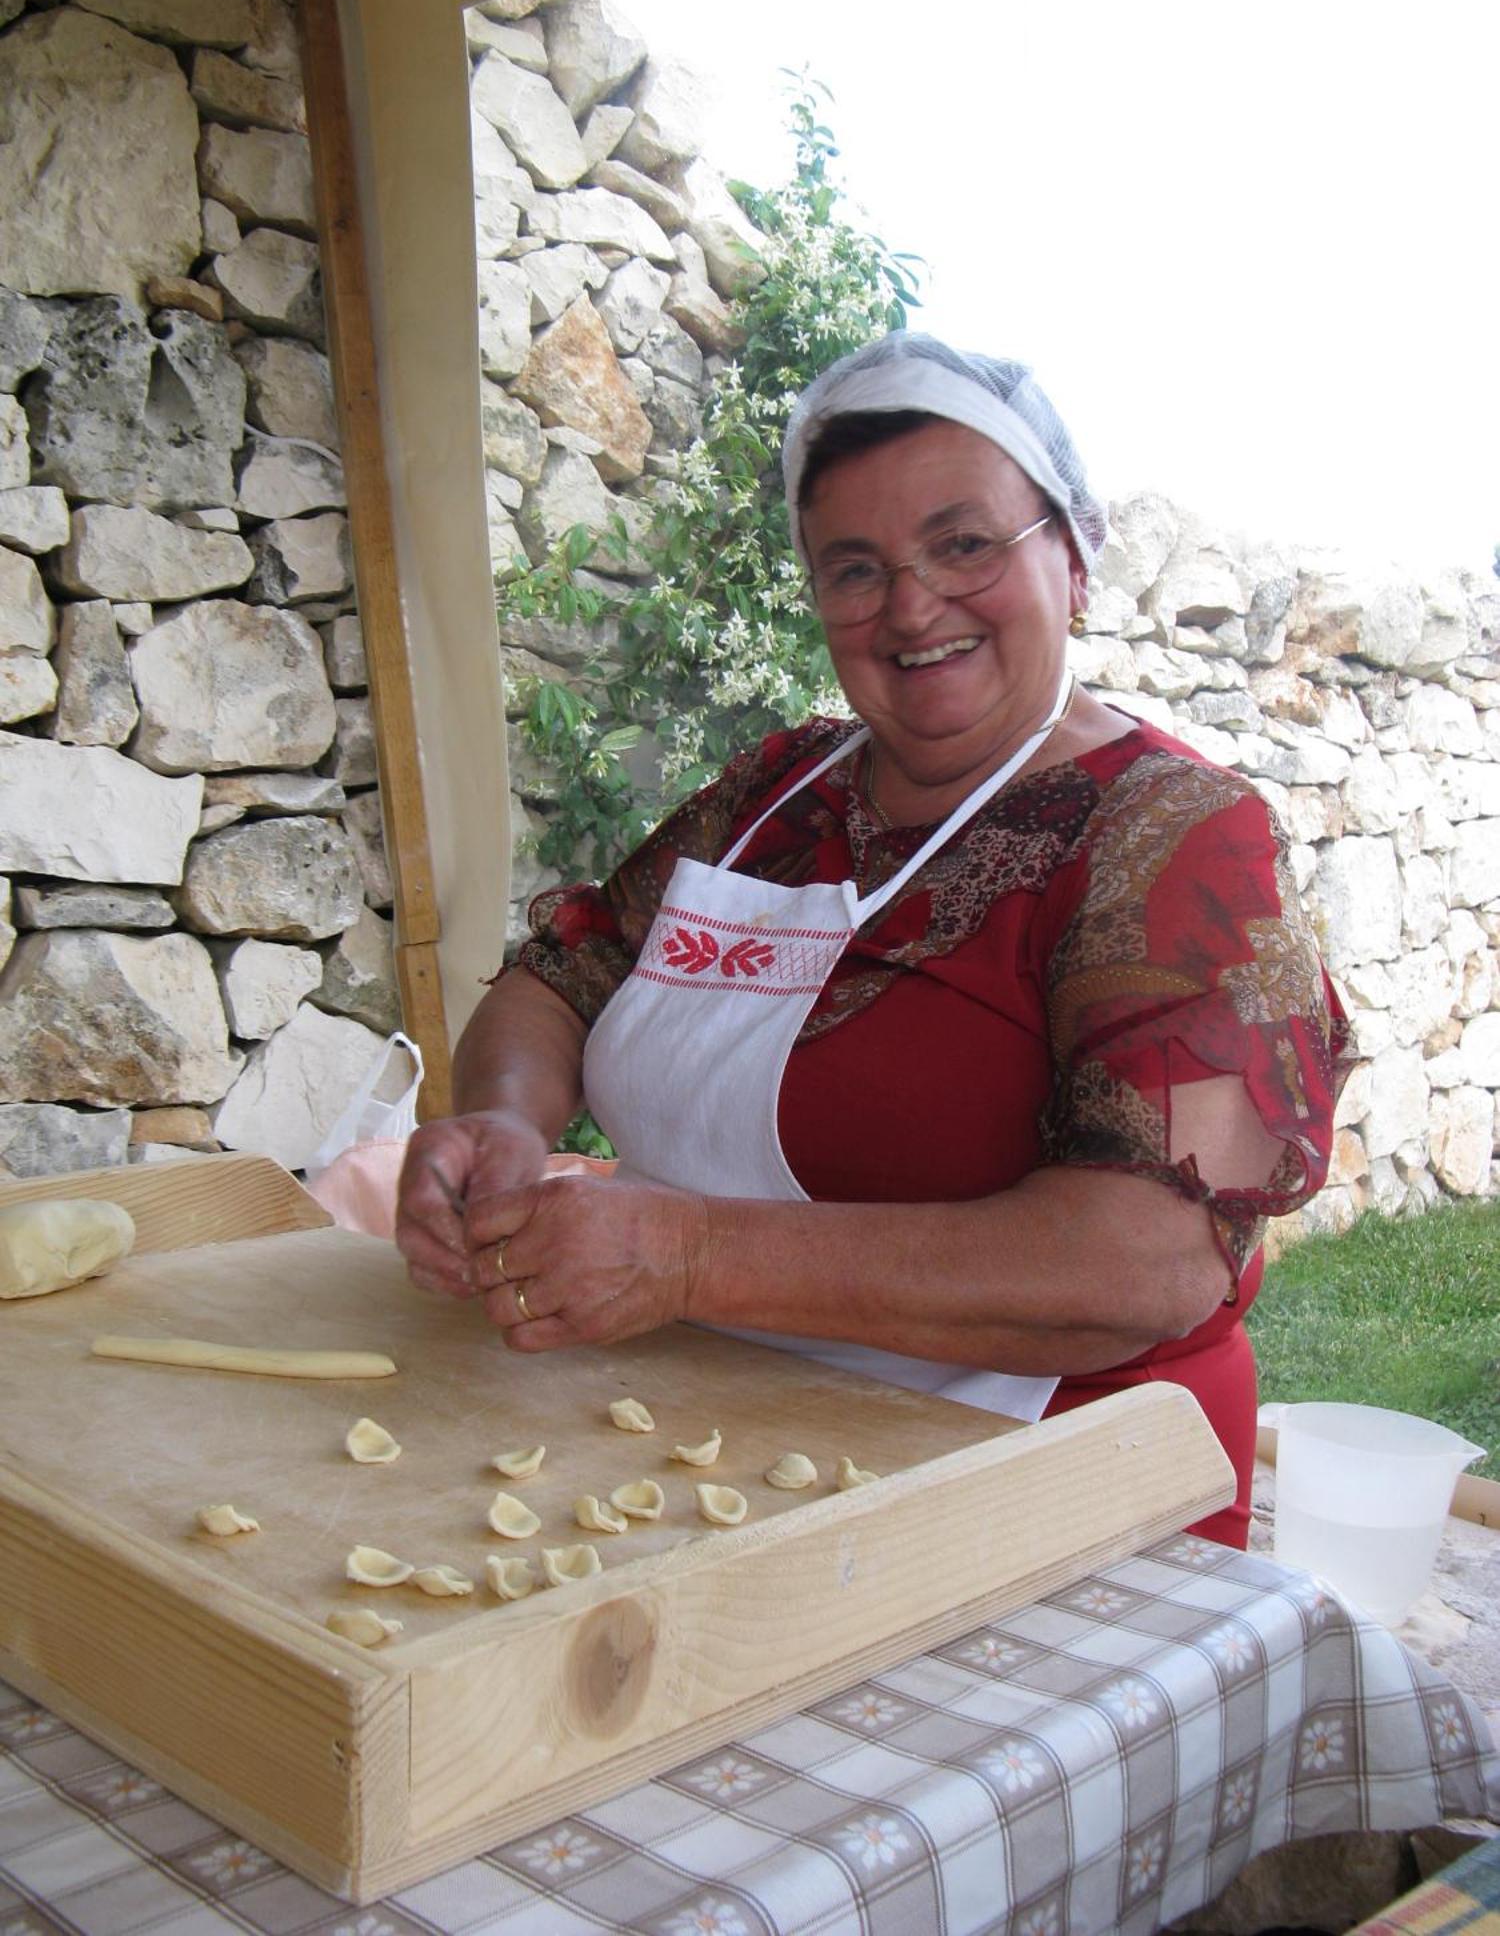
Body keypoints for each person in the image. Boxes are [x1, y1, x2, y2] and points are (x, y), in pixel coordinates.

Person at [396, 333, 1349, 1548]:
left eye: (965, 543)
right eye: (855, 568)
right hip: (716, 1445)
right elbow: (564, 975)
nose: (910, 605)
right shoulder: (780, 793)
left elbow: (1148, 1261)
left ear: (1074, 556)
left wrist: (690, 1255)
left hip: (1044, 1490)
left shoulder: (1169, 837)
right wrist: (507, 1123)